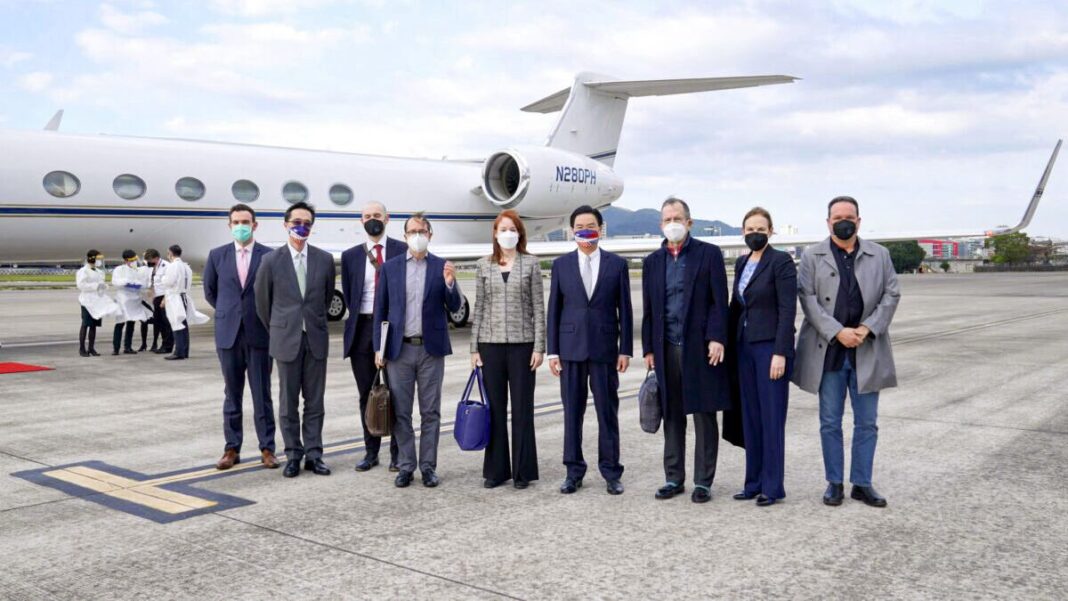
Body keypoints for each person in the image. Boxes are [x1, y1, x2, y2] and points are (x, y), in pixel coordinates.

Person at [793, 196, 900, 508]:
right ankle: (835, 482)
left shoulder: (880, 255)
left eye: (849, 217)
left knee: (867, 422)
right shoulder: (812, 256)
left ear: (859, 221)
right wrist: (837, 331)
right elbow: (807, 298)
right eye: (837, 216)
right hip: (829, 352)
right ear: (827, 223)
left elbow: (892, 293)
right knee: (830, 421)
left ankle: (862, 483)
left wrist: (866, 328)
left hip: (867, 349)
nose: (843, 221)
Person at [642, 197, 731, 504]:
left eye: (677, 218)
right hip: (666, 347)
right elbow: (650, 310)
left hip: (701, 348)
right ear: (661, 225)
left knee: (704, 413)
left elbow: (720, 302)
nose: (672, 224)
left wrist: (718, 337)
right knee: (672, 414)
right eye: (666, 220)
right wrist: (649, 349)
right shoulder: (653, 262)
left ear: (689, 222)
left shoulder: (709, 255)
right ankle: (673, 477)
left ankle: (703, 481)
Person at [547, 205, 632, 496]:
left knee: (607, 412)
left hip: (605, 349)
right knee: (573, 412)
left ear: (600, 228)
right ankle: (573, 471)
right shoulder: (561, 265)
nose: (586, 229)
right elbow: (553, 311)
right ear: (572, 231)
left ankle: (611, 471)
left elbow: (626, 311)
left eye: (591, 224)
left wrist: (626, 350)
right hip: (570, 350)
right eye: (580, 225)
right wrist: (552, 351)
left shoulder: (617, 265)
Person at [373, 212, 462, 489]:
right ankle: (406, 466)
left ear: (430, 235)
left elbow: (455, 306)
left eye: (422, 231)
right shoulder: (390, 268)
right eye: (412, 231)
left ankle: (428, 467)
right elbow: (380, 311)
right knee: (401, 412)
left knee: (430, 412)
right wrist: (380, 347)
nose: (417, 236)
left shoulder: (441, 266)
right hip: (399, 350)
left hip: (430, 350)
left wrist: (450, 283)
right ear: (405, 236)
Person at [254, 201, 336, 478]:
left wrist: (309, 323)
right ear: (285, 224)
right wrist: (282, 327)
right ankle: (292, 454)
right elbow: (263, 303)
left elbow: (325, 299)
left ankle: (314, 454)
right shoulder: (270, 260)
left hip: (315, 339)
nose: (301, 227)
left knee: (315, 402)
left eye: (307, 223)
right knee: (288, 403)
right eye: (296, 222)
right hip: (286, 339)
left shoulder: (324, 260)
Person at [470, 210, 546, 489]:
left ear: (520, 234)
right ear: (495, 233)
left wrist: (539, 346)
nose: (507, 233)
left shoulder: (531, 264)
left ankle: (523, 471)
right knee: (496, 409)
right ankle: (497, 470)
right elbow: (479, 308)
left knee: (523, 409)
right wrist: (473, 348)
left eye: (512, 229)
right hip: (490, 346)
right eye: (503, 228)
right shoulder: (483, 265)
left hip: (523, 346)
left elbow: (538, 307)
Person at [728, 207, 797, 507]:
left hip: (770, 348)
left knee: (771, 418)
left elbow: (787, 309)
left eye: (760, 228)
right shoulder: (742, 262)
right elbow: (737, 306)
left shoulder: (780, 262)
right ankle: (752, 482)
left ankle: (772, 486)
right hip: (743, 347)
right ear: (743, 232)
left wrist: (780, 352)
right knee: (750, 418)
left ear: (770, 231)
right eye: (749, 228)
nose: (754, 233)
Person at [203, 204, 277, 470]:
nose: (241, 226)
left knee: (262, 395)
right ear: (229, 225)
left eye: (245, 221)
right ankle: (231, 449)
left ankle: (267, 448)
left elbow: (274, 293)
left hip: (259, 335)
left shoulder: (269, 256)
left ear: (255, 225)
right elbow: (211, 293)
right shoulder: (217, 256)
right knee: (232, 396)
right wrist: (231, 314)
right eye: (236, 222)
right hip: (229, 335)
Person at [341, 201, 405, 473]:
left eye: (377, 215)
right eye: (367, 216)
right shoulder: (350, 256)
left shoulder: (402, 251)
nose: (372, 220)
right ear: (361, 221)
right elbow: (350, 294)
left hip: (393, 328)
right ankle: (370, 451)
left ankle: (397, 453)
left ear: (387, 219)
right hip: (362, 329)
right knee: (367, 393)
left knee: (396, 393)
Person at [161, 244, 208, 360]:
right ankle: (184, 350)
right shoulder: (186, 266)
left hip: (175, 297)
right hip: (184, 296)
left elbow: (169, 282)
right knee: (183, 325)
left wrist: (162, 278)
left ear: (171, 254)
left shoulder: (173, 266)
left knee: (177, 324)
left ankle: (178, 352)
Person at [75, 249, 117, 357]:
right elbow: (81, 285)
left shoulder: (99, 271)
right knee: (85, 324)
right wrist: (95, 286)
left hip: (97, 301)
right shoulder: (83, 271)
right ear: (92, 258)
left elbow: (101, 284)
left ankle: (91, 348)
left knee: (93, 325)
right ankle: (82, 348)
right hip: (87, 301)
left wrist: (103, 287)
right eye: (98, 259)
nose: (100, 261)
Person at [110, 249, 151, 355]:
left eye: (135, 259)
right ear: (126, 260)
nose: (134, 262)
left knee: (131, 324)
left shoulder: (136, 270)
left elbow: (143, 283)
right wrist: (127, 282)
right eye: (132, 260)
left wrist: (138, 285)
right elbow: (115, 282)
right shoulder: (119, 269)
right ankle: (116, 348)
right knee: (120, 323)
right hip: (123, 300)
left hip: (134, 300)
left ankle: (128, 347)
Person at [144, 249, 174, 354]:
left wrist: (164, 299)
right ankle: (164, 344)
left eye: (150, 260)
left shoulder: (166, 266)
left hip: (164, 297)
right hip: (157, 297)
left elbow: (169, 284)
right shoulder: (154, 267)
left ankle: (168, 345)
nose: (149, 262)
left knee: (166, 323)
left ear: (156, 258)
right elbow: (154, 281)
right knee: (159, 322)